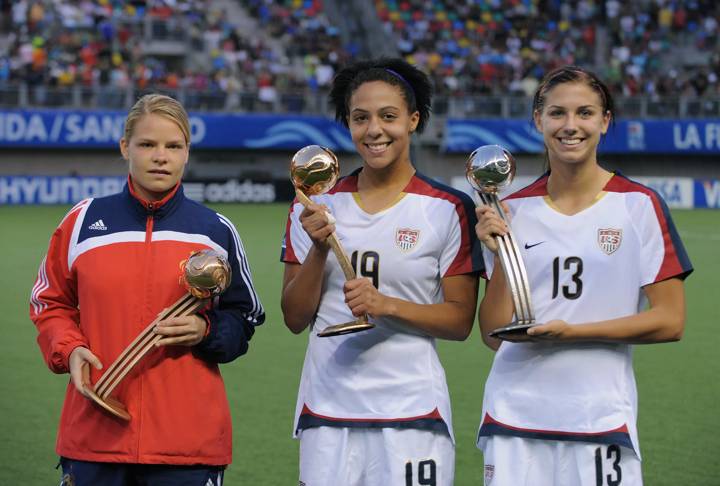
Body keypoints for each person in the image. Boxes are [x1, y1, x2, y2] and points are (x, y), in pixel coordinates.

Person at [29, 94, 265, 486]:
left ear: (187, 152)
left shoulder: (215, 231)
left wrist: (206, 331)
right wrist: (68, 349)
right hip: (95, 433)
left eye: (173, 146)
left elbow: (244, 318)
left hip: (186, 445)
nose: (161, 156)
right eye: (147, 144)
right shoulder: (83, 222)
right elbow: (49, 302)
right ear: (125, 147)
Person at [474, 65, 693, 486]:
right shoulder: (510, 209)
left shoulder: (639, 205)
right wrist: (501, 253)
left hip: (600, 416)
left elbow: (671, 320)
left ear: (605, 121)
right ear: (538, 120)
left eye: (585, 113)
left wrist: (571, 332)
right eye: (557, 113)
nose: (570, 126)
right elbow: (491, 336)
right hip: (514, 414)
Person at [280, 58, 483, 485]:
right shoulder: (316, 203)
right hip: (327, 408)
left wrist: (384, 304)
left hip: (412, 410)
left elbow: (460, 321)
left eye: (388, 116)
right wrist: (318, 249)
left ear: (412, 120)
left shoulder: (448, 208)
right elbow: (295, 318)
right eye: (360, 118)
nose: (374, 130)